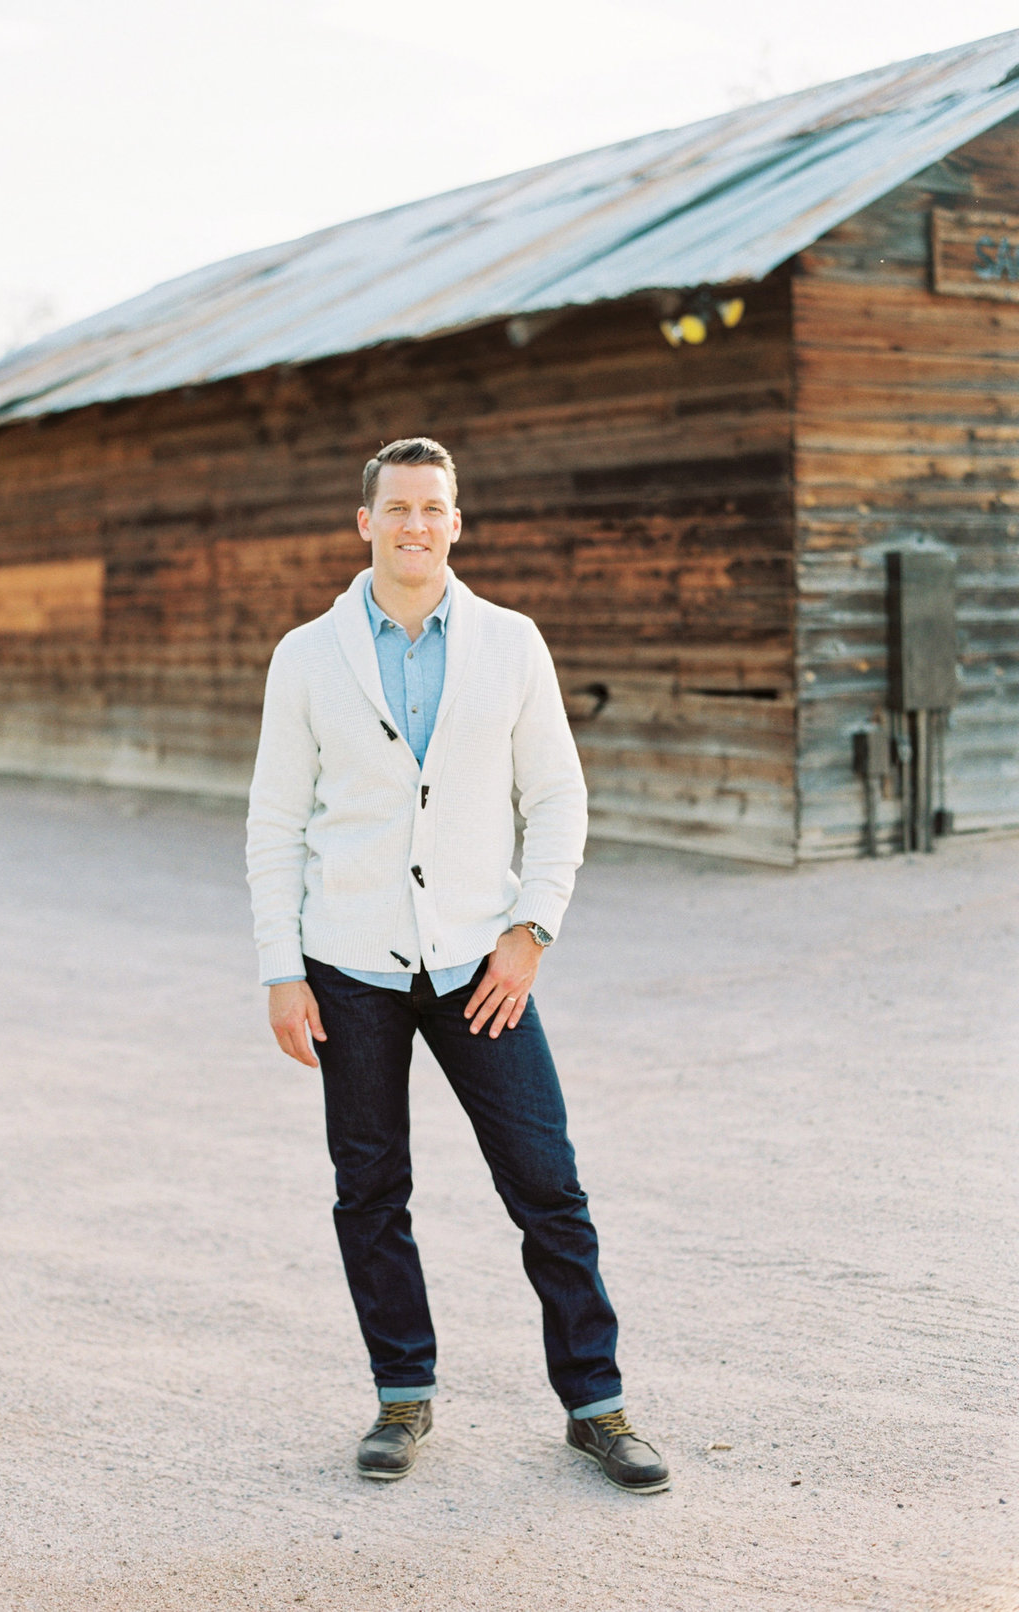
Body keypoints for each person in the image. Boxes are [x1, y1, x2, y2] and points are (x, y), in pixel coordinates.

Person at [245, 437, 668, 1492]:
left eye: (434, 507)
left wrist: (532, 930)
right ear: (366, 523)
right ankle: (402, 1394)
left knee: (548, 1185)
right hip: (349, 968)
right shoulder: (306, 655)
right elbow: (273, 824)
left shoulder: (513, 644)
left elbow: (559, 799)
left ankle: (597, 1405)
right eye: (397, 508)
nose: (415, 525)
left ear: (457, 522)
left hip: (484, 964)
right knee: (370, 1190)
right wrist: (280, 968)